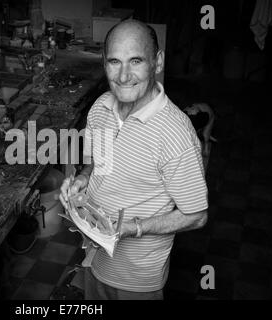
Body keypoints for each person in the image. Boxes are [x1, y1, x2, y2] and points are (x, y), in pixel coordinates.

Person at [59, 19, 208, 300]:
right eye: (115, 62)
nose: (124, 75)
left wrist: (134, 228)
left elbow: (197, 215)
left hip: (136, 279)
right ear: (104, 64)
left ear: (158, 62)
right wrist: (82, 179)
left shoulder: (175, 134)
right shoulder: (101, 107)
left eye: (136, 60)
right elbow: (97, 164)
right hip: (95, 259)